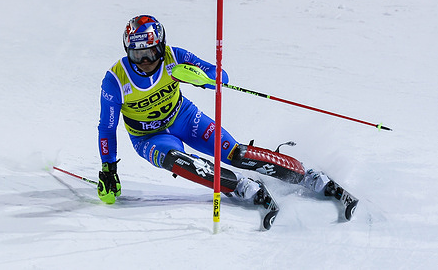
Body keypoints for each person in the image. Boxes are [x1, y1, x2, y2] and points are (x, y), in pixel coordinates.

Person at [97, 15, 332, 206]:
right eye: (138, 55)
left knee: (236, 154)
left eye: (152, 53)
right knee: (177, 160)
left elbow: (221, 76)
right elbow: (107, 128)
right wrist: (108, 168)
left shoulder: (174, 57)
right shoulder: (115, 80)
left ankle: (305, 175)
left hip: (184, 118)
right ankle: (238, 185)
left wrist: (200, 78)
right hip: (149, 137)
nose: (146, 61)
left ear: (162, 46)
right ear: (128, 52)